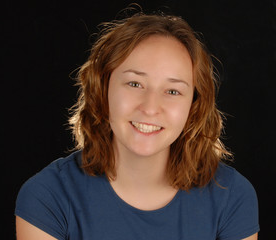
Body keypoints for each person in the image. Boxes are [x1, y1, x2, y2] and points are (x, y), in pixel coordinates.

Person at [15, 11, 260, 240]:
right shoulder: (47, 196)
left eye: (173, 90)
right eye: (134, 84)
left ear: (194, 105)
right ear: (103, 88)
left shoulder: (233, 197)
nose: (150, 107)